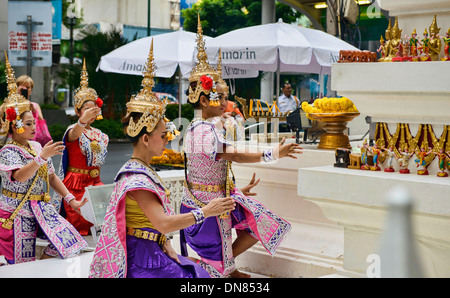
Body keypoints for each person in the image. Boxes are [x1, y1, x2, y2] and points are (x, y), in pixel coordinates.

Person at [89, 41, 235, 278]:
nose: (167, 139)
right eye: (162, 135)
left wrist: (164, 241)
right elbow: (164, 224)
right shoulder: (136, 178)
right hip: (143, 261)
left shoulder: (142, 168)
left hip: (154, 251)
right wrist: (206, 211)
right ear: (145, 139)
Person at [179, 18, 301, 278]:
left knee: (264, 222)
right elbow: (233, 154)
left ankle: (223, 264)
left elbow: (213, 164)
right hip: (206, 207)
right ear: (203, 99)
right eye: (220, 97)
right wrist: (273, 153)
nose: (226, 101)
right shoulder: (203, 130)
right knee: (259, 224)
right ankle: (219, 266)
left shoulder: (201, 127)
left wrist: (236, 191)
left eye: (226, 96)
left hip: (215, 198)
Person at [0, 54, 87, 264]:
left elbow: (52, 177)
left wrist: (71, 200)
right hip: (16, 214)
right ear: (15, 126)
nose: (34, 127)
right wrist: (41, 158)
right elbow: (19, 177)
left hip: (41, 210)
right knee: (18, 265)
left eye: (33, 123)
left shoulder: (37, 146)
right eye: (28, 124)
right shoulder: (7, 151)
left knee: (70, 241)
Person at [54, 60, 109, 236]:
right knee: (78, 229)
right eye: (86, 109)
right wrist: (82, 121)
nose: (91, 112)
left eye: (94, 109)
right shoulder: (73, 130)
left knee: (100, 225)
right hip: (75, 186)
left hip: (95, 183)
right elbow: (76, 132)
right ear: (78, 112)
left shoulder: (100, 134)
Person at [16, 75, 52, 147]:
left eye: (28, 87)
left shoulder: (35, 105)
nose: (25, 89)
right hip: (17, 140)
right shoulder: (11, 104)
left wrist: (34, 111)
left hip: (34, 140)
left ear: (31, 90)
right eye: (22, 87)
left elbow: (42, 124)